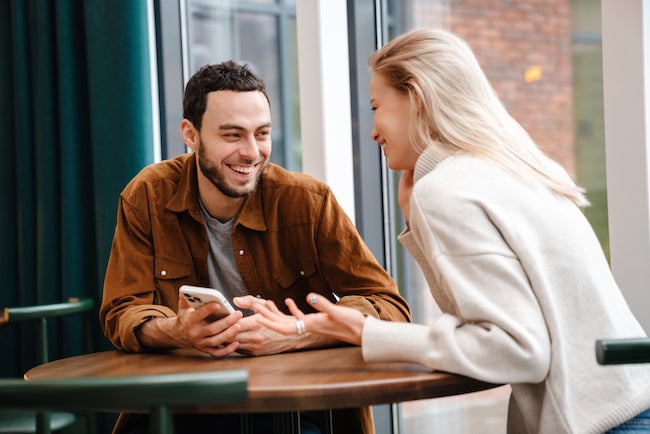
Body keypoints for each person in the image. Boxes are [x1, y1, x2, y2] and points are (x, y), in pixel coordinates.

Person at [239, 29, 650, 434]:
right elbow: (489, 324)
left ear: (415, 97)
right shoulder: (508, 167)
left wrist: (366, 331)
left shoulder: (448, 190)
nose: (372, 131)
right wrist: (414, 222)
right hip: (628, 403)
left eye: (376, 106)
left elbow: (517, 350)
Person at [100, 60, 411, 434]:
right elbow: (122, 311)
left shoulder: (307, 201)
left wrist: (296, 331)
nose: (252, 152)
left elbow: (389, 307)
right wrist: (177, 330)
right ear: (191, 133)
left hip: (297, 406)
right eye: (232, 135)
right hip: (188, 406)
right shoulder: (148, 195)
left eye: (261, 134)